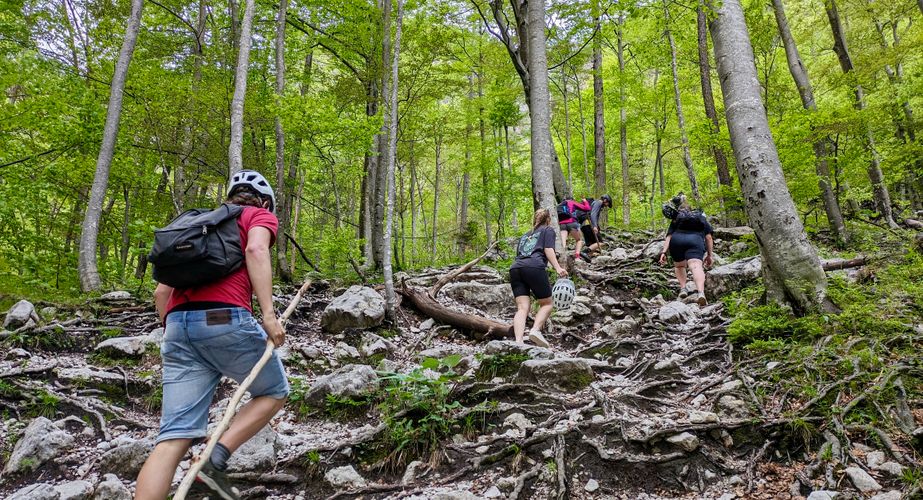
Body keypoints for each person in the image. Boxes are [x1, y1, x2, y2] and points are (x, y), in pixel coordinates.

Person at [136, 170, 289, 500]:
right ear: (264, 202)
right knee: (274, 391)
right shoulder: (257, 215)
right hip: (223, 317)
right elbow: (256, 252)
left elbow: (161, 294)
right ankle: (212, 459)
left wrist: (181, 333)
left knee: (172, 438)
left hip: (176, 326)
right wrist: (268, 315)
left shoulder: (200, 225)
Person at [511, 208, 568, 348]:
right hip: (534, 267)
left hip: (515, 268)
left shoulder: (525, 235)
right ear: (548, 219)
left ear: (535, 219)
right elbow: (548, 249)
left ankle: (518, 342)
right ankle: (535, 330)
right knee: (547, 303)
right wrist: (558, 267)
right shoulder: (548, 230)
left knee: (522, 308)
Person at [658, 194, 714, 306]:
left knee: (679, 266)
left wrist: (663, 252)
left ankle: (683, 289)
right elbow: (708, 237)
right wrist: (709, 255)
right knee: (696, 266)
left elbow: (668, 236)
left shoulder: (676, 218)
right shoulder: (701, 217)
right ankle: (701, 293)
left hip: (677, 240)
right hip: (695, 240)